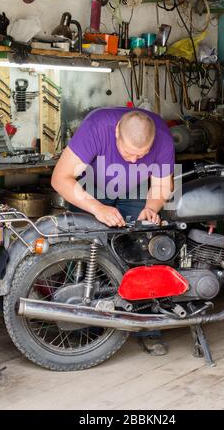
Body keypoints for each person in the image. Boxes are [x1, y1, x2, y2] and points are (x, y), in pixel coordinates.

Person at [52, 107, 175, 355]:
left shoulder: (162, 136)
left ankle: (148, 327)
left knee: (144, 250)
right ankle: (83, 327)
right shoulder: (97, 127)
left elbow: (162, 185)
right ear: (116, 131)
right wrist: (98, 208)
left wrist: (151, 208)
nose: (133, 161)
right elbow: (60, 178)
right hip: (92, 185)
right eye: (129, 153)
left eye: (142, 155)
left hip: (137, 188)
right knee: (88, 251)